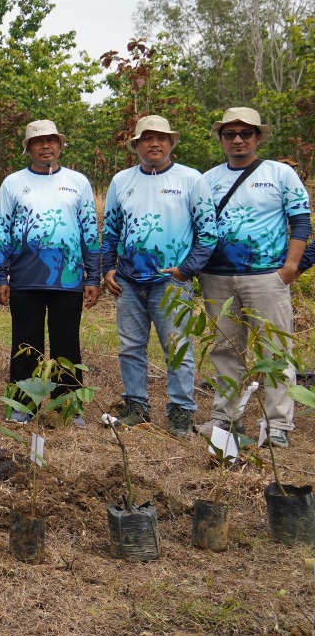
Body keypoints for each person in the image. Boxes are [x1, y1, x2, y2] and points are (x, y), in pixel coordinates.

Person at [100, 116, 218, 437]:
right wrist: (108, 268)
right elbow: (110, 230)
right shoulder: (121, 181)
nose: (155, 143)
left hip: (172, 280)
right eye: (147, 138)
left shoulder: (191, 179)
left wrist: (186, 269)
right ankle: (136, 405)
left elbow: (208, 233)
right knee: (130, 347)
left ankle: (181, 410)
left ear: (171, 143)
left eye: (161, 138)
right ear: (136, 145)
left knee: (177, 346)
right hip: (127, 279)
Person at [198, 108, 309, 448]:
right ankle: (224, 418)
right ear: (221, 140)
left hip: (267, 277)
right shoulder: (208, 179)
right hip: (217, 277)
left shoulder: (280, 174)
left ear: (258, 137)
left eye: (245, 133)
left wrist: (290, 267)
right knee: (225, 349)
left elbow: (301, 222)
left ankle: (277, 424)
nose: (238, 140)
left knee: (276, 349)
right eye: (229, 134)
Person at [0, 120, 100, 424]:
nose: (45, 146)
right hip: (25, 279)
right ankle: (23, 404)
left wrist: (93, 276)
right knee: (26, 344)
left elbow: (90, 231)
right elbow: (2, 230)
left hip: (68, 279)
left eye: (51, 140)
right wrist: (0, 275)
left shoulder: (78, 181)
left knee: (67, 343)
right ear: (28, 148)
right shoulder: (13, 183)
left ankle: (69, 405)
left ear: (60, 145)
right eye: (38, 142)